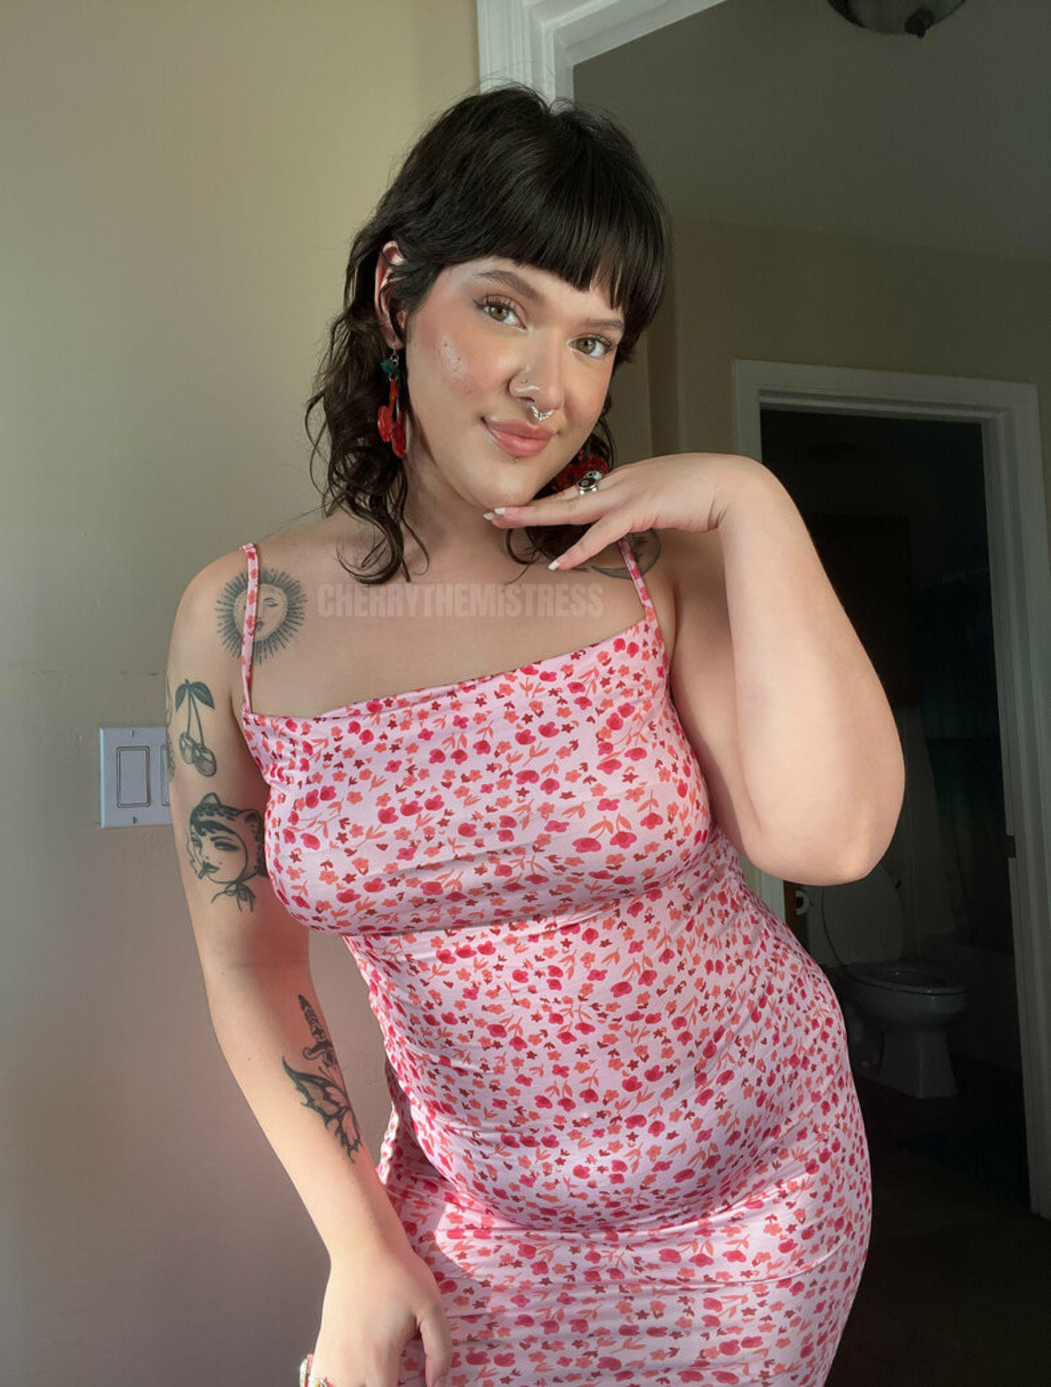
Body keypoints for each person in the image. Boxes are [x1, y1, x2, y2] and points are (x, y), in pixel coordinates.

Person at [166, 83, 904, 1387]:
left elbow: (830, 841)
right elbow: (248, 960)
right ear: (397, 295)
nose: (543, 386)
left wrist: (754, 503)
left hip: (752, 1202)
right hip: (473, 1219)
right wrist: (359, 1246)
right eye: (504, 308)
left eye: (592, 339)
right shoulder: (240, 623)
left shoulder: (650, 574)